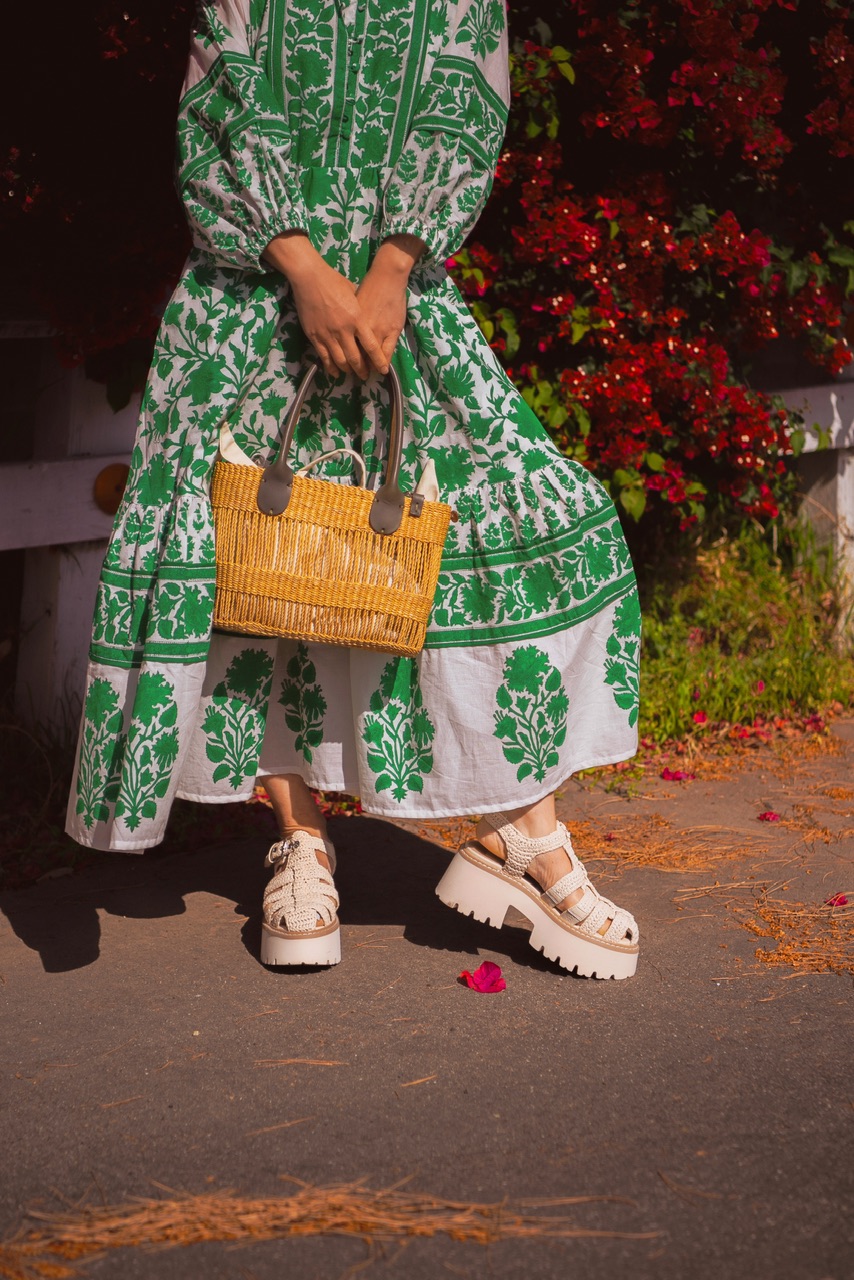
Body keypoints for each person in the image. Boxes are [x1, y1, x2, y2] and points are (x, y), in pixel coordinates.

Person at [66, 0, 641, 980]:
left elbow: (461, 104)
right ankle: (299, 841)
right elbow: (223, 108)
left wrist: (390, 266)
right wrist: (301, 268)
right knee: (260, 569)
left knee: (511, 531)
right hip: (251, 294)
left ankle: (521, 833)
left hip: (395, 301)